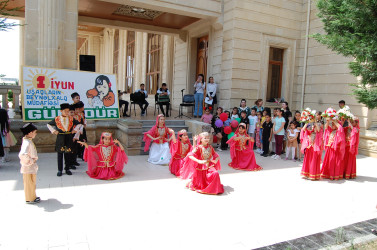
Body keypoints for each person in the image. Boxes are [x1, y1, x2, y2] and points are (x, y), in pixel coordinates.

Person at [47, 103, 82, 176]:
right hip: (60, 138)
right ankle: (60, 170)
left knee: (68, 154)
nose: (67, 112)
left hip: (68, 137)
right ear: (61, 111)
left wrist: (75, 130)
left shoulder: (71, 118)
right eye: (65, 111)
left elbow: (79, 124)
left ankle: (67, 168)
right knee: (60, 154)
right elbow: (48, 124)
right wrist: (54, 131)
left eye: (68, 111)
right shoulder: (57, 119)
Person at [19, 123, 40, 204]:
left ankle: (32, 196)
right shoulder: (26, 142)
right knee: (29, 183)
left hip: (30, 166)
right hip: (28, 166)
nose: (35, 134)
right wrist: (31, 161)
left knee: (31, 182)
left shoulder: (28, 140)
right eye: (35, 132)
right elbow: (22, 154)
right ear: (30, 133)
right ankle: (30, 198)